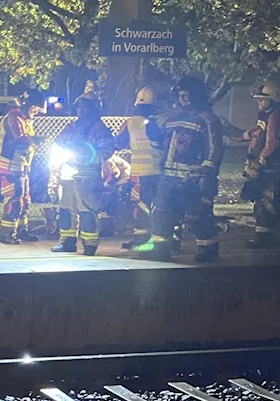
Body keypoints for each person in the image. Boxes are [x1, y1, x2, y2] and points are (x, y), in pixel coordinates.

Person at [138, 76, 224, 262]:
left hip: (193, 177)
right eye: (180, 95)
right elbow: (162, 144)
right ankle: (160, 247)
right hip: (169, 176)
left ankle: (208, 248)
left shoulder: (208, 120)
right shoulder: (172, 119)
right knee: (161, 211)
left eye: (187, 95)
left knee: (197, 215)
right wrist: (152, 132)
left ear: (197, 96)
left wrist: (208, 171)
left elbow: (214, 147)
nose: (183, 99)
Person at [50, 93, 116, 256]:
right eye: (78, 107)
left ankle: (90, 244)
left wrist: (89, 157)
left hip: (88, 176)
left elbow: (106, 150)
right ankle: (67, 241)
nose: (79, 110)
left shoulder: (100, 129)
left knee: (87, 210)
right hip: (68, 173)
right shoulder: (71, 127)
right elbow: (58, 143)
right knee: (65, 209)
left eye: (83, 107)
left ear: (92, 109)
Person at [0, 88, 45, 244]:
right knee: (14, 199)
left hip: (20, 165)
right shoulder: (14, 118)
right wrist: (37, 140)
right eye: (34, 107)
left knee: (25, 199)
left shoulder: (24, 119)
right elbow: (20, 139)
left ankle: (21, 230)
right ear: (27, 104)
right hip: (8, 165)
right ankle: (7, 234)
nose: (36, 111)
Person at [113, 86, 162, 249]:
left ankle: (141, 239)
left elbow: (118, 143)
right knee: (161, 205)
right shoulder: (160, 123)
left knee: (141, 205)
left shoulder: (130, 123)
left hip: (140, 173)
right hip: (161, 172)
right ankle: (168, 238)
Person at [242, 82, 280, 248]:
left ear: (273, 100)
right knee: (262, 200)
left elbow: (272, 143)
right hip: (266, 167)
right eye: (258, 100)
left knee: (267, 201)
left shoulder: (275, 117)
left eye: (262, 100)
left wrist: (258, 164)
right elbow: (257, 136)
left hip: (271, 168)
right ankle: (265, 236)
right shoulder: (266, 117)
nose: (259, 103)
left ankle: (268, 238)